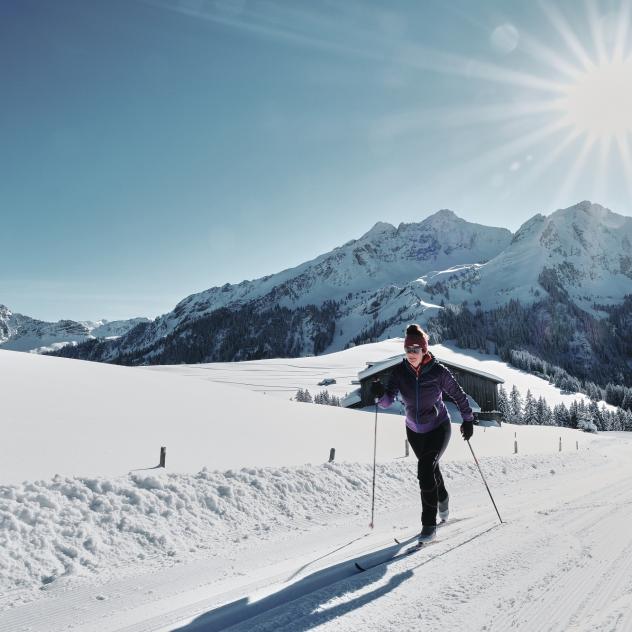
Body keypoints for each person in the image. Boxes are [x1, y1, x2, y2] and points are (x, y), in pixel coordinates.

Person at [370, 324, 474, 542]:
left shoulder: (438, 372)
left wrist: (467, 420)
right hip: (414, 431)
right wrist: (380, 395)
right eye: (408, 350)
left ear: (424, 350)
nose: (411, 354)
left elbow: (458, 394)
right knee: (430, 469)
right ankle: (443, 497)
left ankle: (429, 526)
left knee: (425, 468)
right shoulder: (399, 372)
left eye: (416, 350)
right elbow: (388, 401)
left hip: (439, 427)